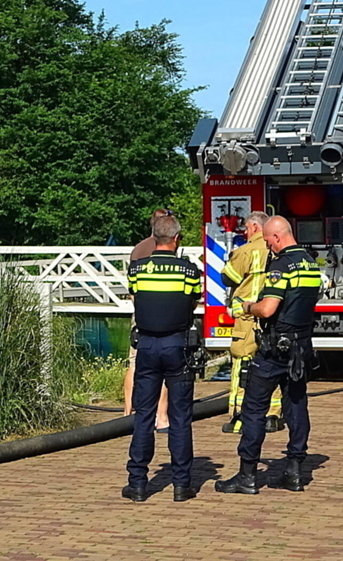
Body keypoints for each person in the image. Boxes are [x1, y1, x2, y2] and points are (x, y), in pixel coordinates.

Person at [216, 216, 320, 495]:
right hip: (301, 347)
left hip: (276, 348)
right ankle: (295, 471)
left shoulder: (281, 264)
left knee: (253, 408)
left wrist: (247, 307)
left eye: (269, 241)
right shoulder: (310, 263)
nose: (268, 247)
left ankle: (247, 475)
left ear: (275, 237)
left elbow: (268, 309)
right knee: (296, 407)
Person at [122, 214, 202, 503]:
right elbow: (193, 301)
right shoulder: (189, 272)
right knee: (180, 418)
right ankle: (182, 485)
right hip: (177, 345)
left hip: (146, 346)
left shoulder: (138, 270)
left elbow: (135, 295)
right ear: (177, 239)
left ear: (154, 238)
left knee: (144, 415)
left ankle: (138, 483)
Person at [221, 211, 284, 434]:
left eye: (247, 228)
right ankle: (272, 416)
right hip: (272, 317)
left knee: (242, 365)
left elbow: (227, 277)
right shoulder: (278, 251)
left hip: (248, 319)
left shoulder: (246, 251)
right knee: (271, 363)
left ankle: (240, 417)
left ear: (256, 228)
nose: (246, 233)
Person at [123, 209, 171, 432]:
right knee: (163, 366)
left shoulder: (138, 249)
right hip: (165, 315)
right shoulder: (168, 249)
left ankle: (127, 413)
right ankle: (161, 417)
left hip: (140, 312)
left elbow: (131, 288)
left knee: (134, 363)